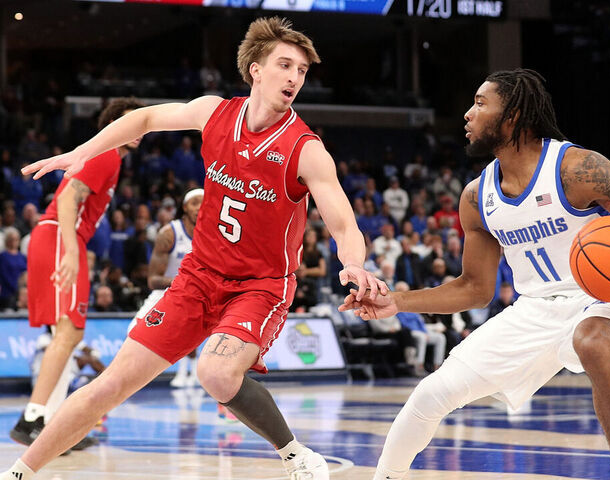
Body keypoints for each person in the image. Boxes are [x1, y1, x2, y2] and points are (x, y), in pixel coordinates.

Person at [4, 17, 386, 480]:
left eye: (302, 70)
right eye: (285, 65)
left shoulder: (305, 149)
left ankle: (295, 454)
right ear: (256, 70)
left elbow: (344, 223)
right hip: (198, 276)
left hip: (260, 286)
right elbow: (143, 118)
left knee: (216, 372)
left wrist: (354, 265)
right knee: (110, 386)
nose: (294, 78)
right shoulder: (214, 112)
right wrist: (80, 152)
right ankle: (19, 472)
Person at [339, 68, 610, 480]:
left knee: (589, 342)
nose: (467, 114)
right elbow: (475, 289)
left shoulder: (577, 168)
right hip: (534, 308)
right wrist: (398, 302)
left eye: (480, 103)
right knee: (431, 394)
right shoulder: (477, 197)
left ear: (513, 115)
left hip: (607, 298)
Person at [8, 97, 145, 452]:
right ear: (115, 125)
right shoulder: (106, 154)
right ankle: (32, 420)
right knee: (69, 332)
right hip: (58, 236)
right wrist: (71, 250)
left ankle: (52, 425)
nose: (140, 131)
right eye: (132, 122)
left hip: (59, 237)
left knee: (66, 335)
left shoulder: (113, 160)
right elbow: (68, 198)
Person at [129, 188, 204, 388]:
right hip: (166, 292)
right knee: (133, 331)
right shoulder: (170, 233)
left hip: (197, 294)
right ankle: (133, 378)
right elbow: (152, 280)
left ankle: (190, 372)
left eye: (204, 203)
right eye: (195, 203)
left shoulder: (215, 234)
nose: (199, 207)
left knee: (191, 330)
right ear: (185, 207)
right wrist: (184, 281)